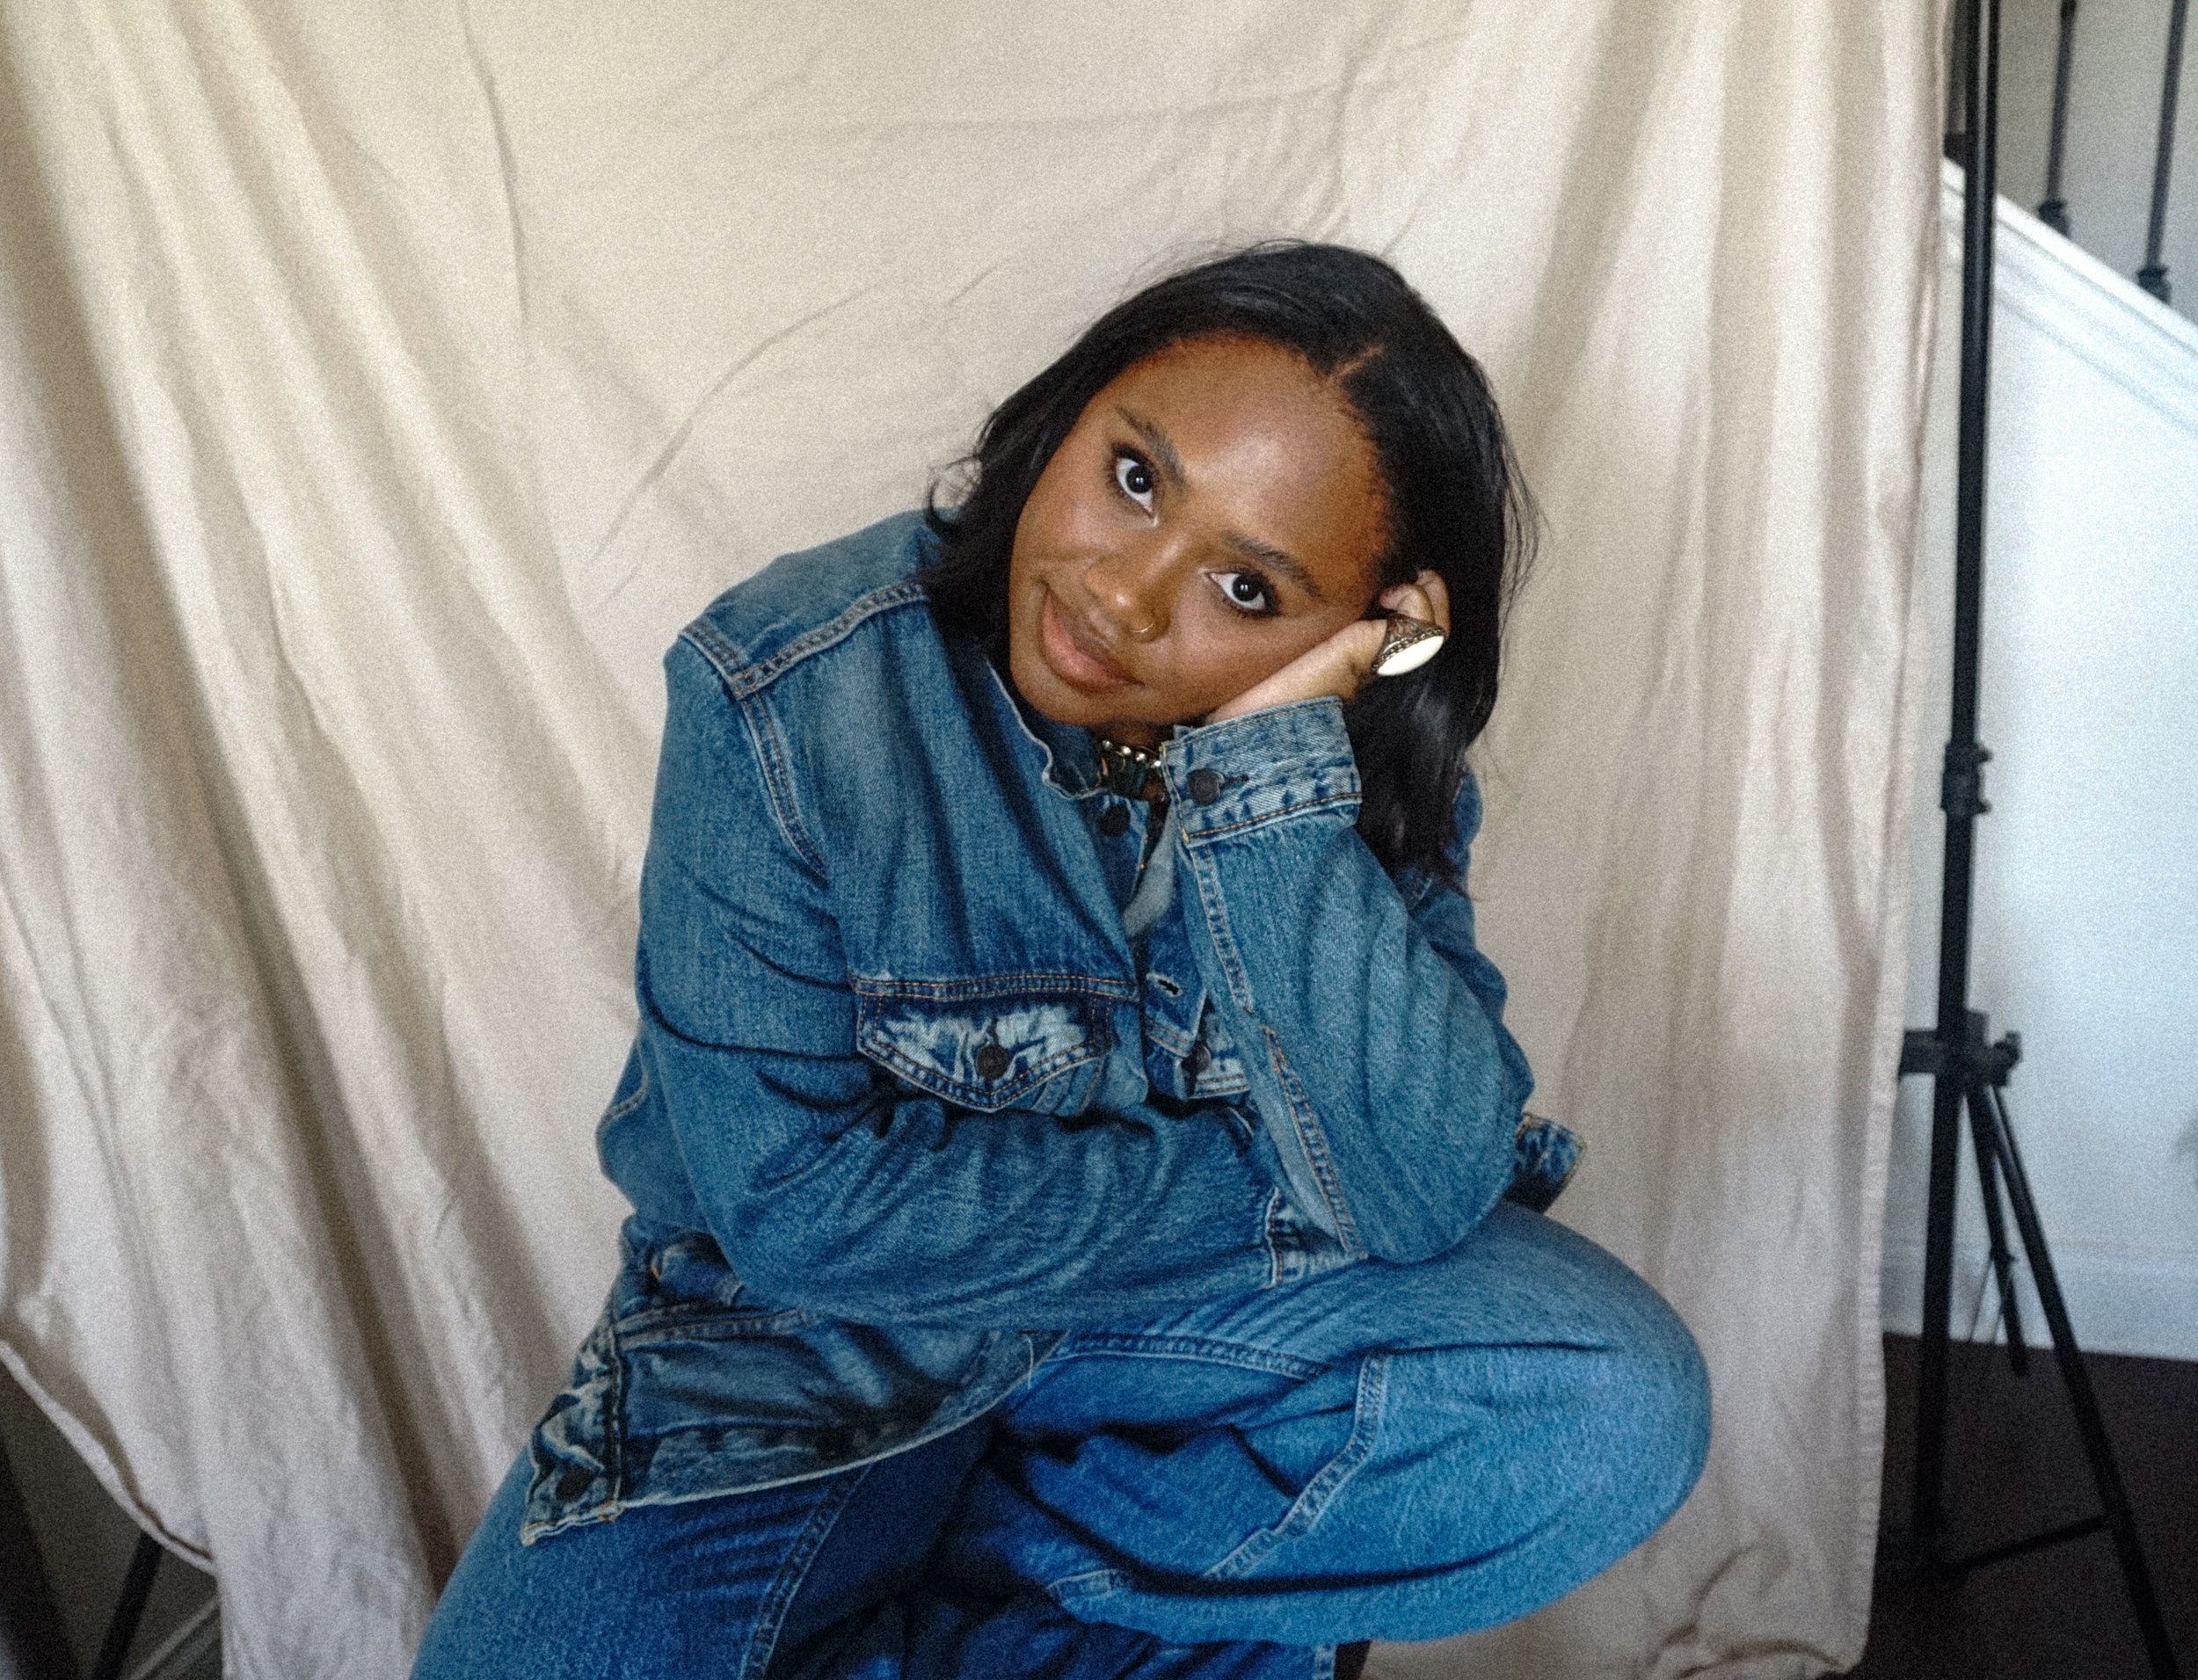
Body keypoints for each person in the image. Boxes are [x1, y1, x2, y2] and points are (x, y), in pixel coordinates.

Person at [412, 243, 1709, 1680]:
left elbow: (1426, 1176)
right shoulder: (785, 684)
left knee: (1609, 1403)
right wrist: (1295, 1196)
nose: (1126, 596)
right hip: (797, 1362)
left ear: (1372, 632)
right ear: (1076, 404)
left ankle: (983, 1565)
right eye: (1137, 478)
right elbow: (800, 1213)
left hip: (1166, 1363)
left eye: (1249, 589)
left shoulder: (1343, 762)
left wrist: (1269, 784)